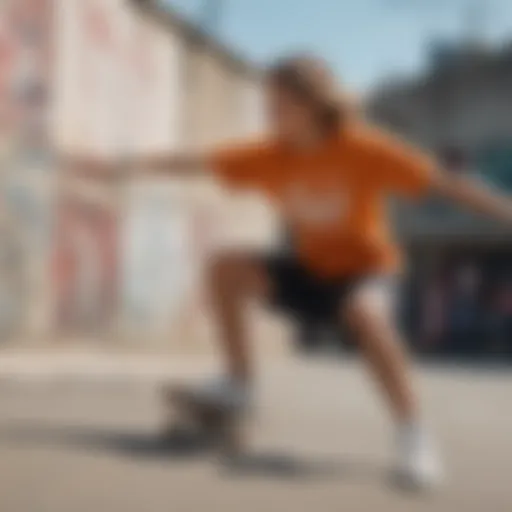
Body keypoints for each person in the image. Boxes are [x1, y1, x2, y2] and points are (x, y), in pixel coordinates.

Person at [72, 54, 512, 489]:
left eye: (281, 105)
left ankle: (413, 435)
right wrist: (120, 167)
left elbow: (444, 183)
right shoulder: (268, 155)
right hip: (310, 271)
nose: (271, 115)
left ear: (315, 105)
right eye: (269, 105)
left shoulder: (362, 148)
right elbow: (195, 162)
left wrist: (503, 210)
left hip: (365, 271)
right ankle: (239, 384)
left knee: (367, 314)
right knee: (226, 267)